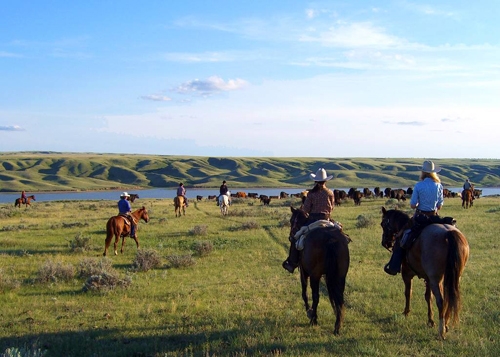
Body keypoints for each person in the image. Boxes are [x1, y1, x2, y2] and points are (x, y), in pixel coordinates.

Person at [384, 160, 444, 275]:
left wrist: (418, 204)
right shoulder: (439, 185)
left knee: (401, 238)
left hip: (420, 217)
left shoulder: (419, 185)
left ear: (423, 172)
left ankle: (394, 266)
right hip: (434, 217)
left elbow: (412, 205)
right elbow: (439, 206)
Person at [282, 168, 335, 273]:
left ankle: (292, 263)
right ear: (326, 181)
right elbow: (331, 208)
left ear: (315, 181)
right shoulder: (330, 193)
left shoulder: (311, 194)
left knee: (296, 237)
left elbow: (306, 210)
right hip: (327, 219)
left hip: (312, 220)